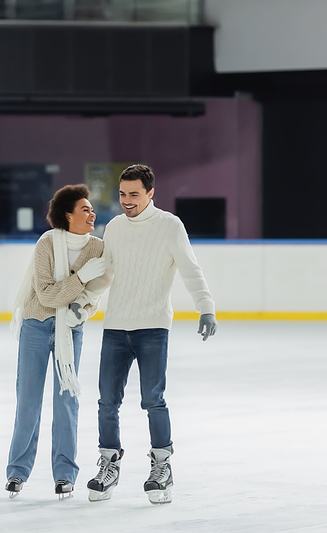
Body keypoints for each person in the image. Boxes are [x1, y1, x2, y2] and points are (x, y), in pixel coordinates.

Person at [67, 165, 217, 505]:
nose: (127, 201)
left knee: (153, 399)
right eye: (122, 194)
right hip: (116, 327)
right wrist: (86, 304)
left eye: (134, 194)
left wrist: (205, 306)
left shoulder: (169, 225)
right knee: (107, 400)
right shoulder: (116, 228)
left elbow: (190, 268)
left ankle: (162, 467)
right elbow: (106, 274)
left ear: (151, 193)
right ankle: (109, 464)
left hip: (152, 327)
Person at [5, 184, 111, 500]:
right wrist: (79, 279)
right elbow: (47, 294)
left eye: (92, 209)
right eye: (85, 209)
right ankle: (17, 472)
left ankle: (65, 474)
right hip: (36, 325)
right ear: (68, 215)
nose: (92, 213)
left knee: (67, 399)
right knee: (28, 400)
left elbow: (96, 292)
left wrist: (82, 307)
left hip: (70, 329)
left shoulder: (97, 249)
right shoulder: (47, 244)